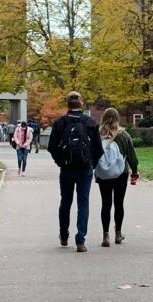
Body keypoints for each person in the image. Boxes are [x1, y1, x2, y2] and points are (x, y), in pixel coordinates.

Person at [47, 91, 103, 253]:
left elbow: (52, 147)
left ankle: (64, 234)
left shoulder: (60, 123)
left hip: (67, 168)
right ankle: (81, 240)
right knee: (83, 203)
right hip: (85, 169)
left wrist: (60, 162)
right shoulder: (90, 122)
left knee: (66, 201)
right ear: (81, 103)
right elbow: (98, 149)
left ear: (67, 104)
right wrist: (91, 164)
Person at [95, 107, 139, 247]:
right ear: (117, 118)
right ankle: (118, 233)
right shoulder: (124, 135)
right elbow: (132, 156)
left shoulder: (98, 134)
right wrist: (135, 171)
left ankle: (105, 235)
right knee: (119, 203)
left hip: (103, 174)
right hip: (120, 174)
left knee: (105, 203)